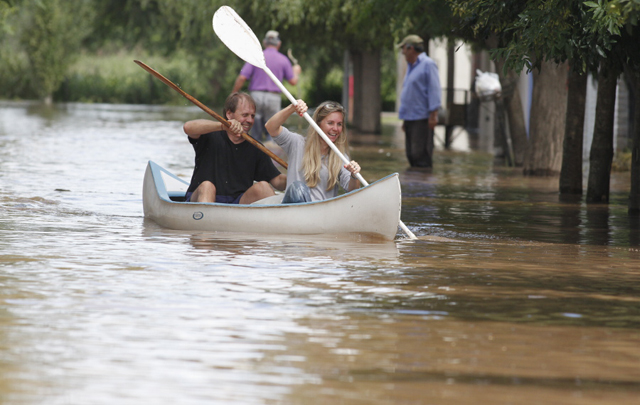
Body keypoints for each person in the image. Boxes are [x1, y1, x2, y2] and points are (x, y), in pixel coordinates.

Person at [182, 92, 286, 204]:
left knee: (263, 187)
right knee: (207, 186)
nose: (250, 120)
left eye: (252, 116)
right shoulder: (210, 134)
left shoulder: (256, 147)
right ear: (229, 114)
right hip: (201, 199)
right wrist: (223, 126)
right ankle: (206, 219)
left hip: (237, 204)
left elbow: (278, 182)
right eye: (245, 115)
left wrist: (297, 176)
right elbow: (188, 127)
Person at [265, 100, 361, 203]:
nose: (335, 129)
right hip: (292, 209)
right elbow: (271, 127)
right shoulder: (297, 143)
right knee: (297, 188)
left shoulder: (340, 157)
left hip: (322, 213)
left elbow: (353, 191)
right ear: (318, 124)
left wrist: (354, 176)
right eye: (330, 123)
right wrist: (292, 108)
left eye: (339, 124)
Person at [231, 30, 301, 142]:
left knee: (254, 132)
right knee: (273, 132)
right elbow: (293, 81)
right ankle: (271, 156)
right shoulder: (283, 59)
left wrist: (233, 94)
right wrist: (296, 72)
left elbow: (242, 77)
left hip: (255, 97)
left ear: (264, 43)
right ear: (279, 44)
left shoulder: (256, 57)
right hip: (274, 98)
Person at [397, 34, 442, 168]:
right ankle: (414, 187)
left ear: (411, 48)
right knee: (411, 155)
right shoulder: (411, 67)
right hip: (410, 118)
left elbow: (434, 90)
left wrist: (433, 115)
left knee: (421, 155)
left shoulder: (428, 64)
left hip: (422, 118)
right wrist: (405, 119)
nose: (403, 52)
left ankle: (424, 187)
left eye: (404, 48)